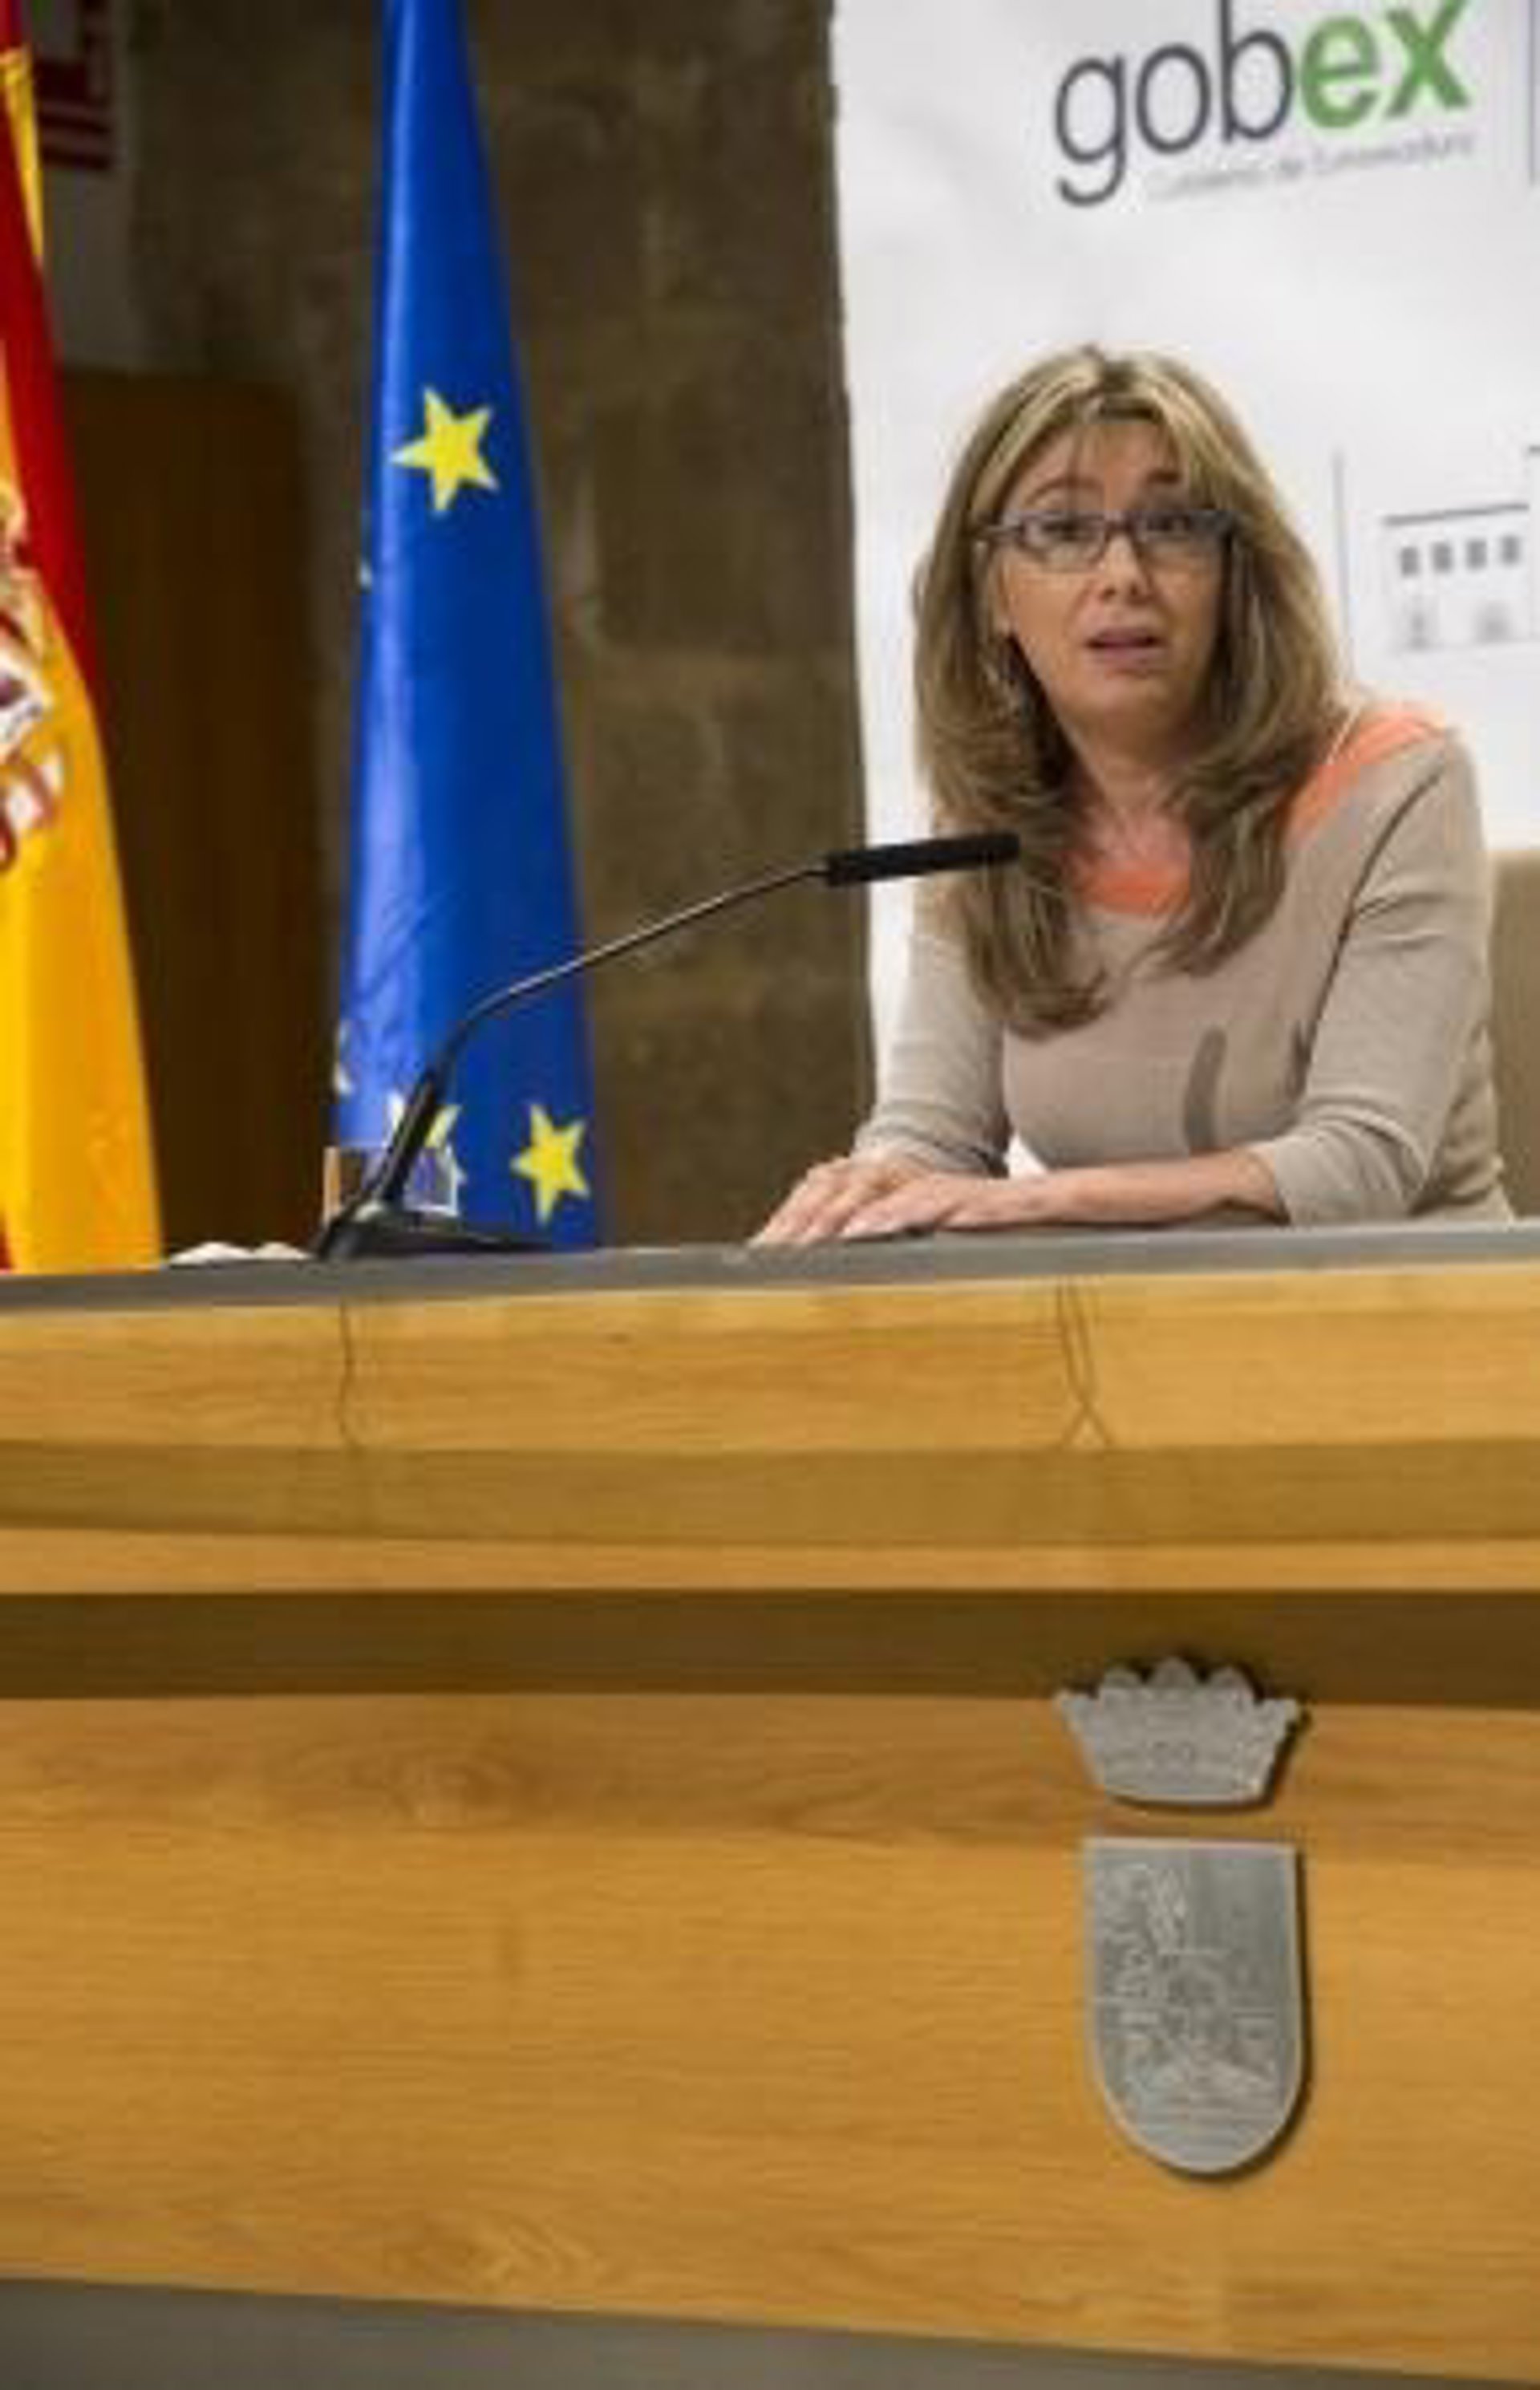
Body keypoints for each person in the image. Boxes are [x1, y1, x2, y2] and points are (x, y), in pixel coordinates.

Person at [758, 344, 1508, 1245]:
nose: (1122, 574)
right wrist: (870, 1192)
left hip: (1405, 1315)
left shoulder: (1396, 786)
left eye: (1173, 525)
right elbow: (933, 1138)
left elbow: (1359, 1167)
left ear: (1234, 574)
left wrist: (1040, 1199)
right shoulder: (988, 826)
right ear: (992, 593)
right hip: (1117, 1325)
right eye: (1062, 529)